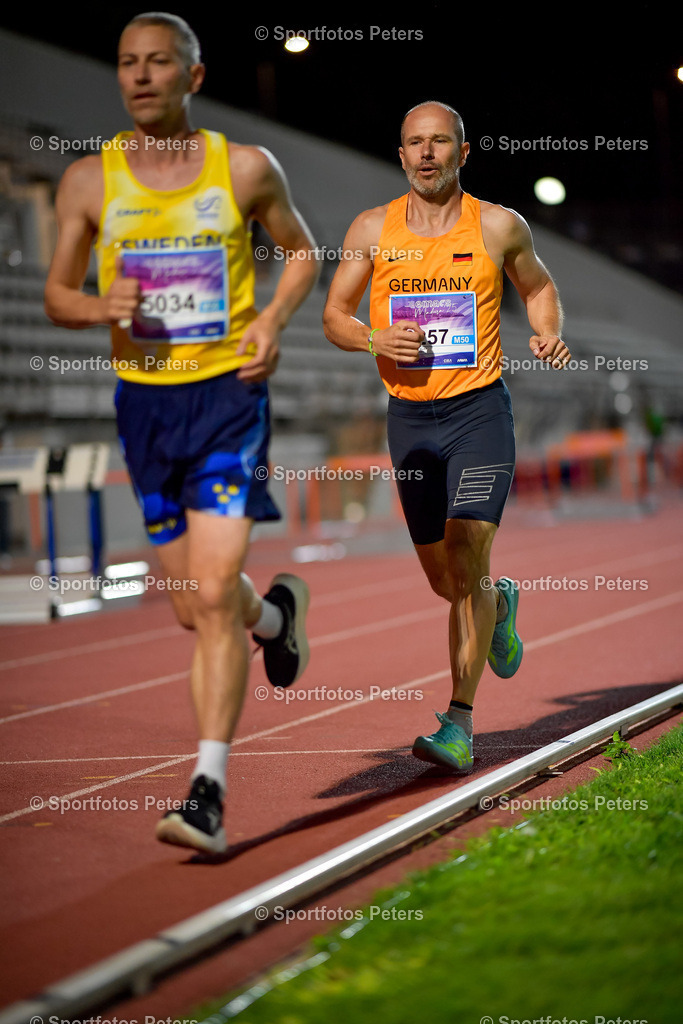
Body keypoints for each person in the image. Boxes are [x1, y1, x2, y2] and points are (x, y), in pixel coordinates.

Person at [44, 12, 320, 853]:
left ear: (193, 77)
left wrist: (270, 320)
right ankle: (275, 620)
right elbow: (58, 295)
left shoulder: (244, 170)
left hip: (227, 401)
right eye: (127, 62)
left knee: (208, 597)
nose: (140, 75)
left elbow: (303, 252)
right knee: (191, 607)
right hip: (146, 406)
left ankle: (207, 791)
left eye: (159, 61)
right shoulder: (89, 184)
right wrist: (100, 306)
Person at [323, 101, 570, 773]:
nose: (427, 153)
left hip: (477, 414)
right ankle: (501, 602)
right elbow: (334, 315)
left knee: (464, 562)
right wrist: (375, 336)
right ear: (400, 155)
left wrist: (545, 328)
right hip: (408, 422)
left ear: (464, 152)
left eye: (440, 142)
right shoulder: (371, 229)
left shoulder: (497, 225)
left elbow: (538, 286)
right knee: (448, 581)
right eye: (414, 143)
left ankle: (457, 724)